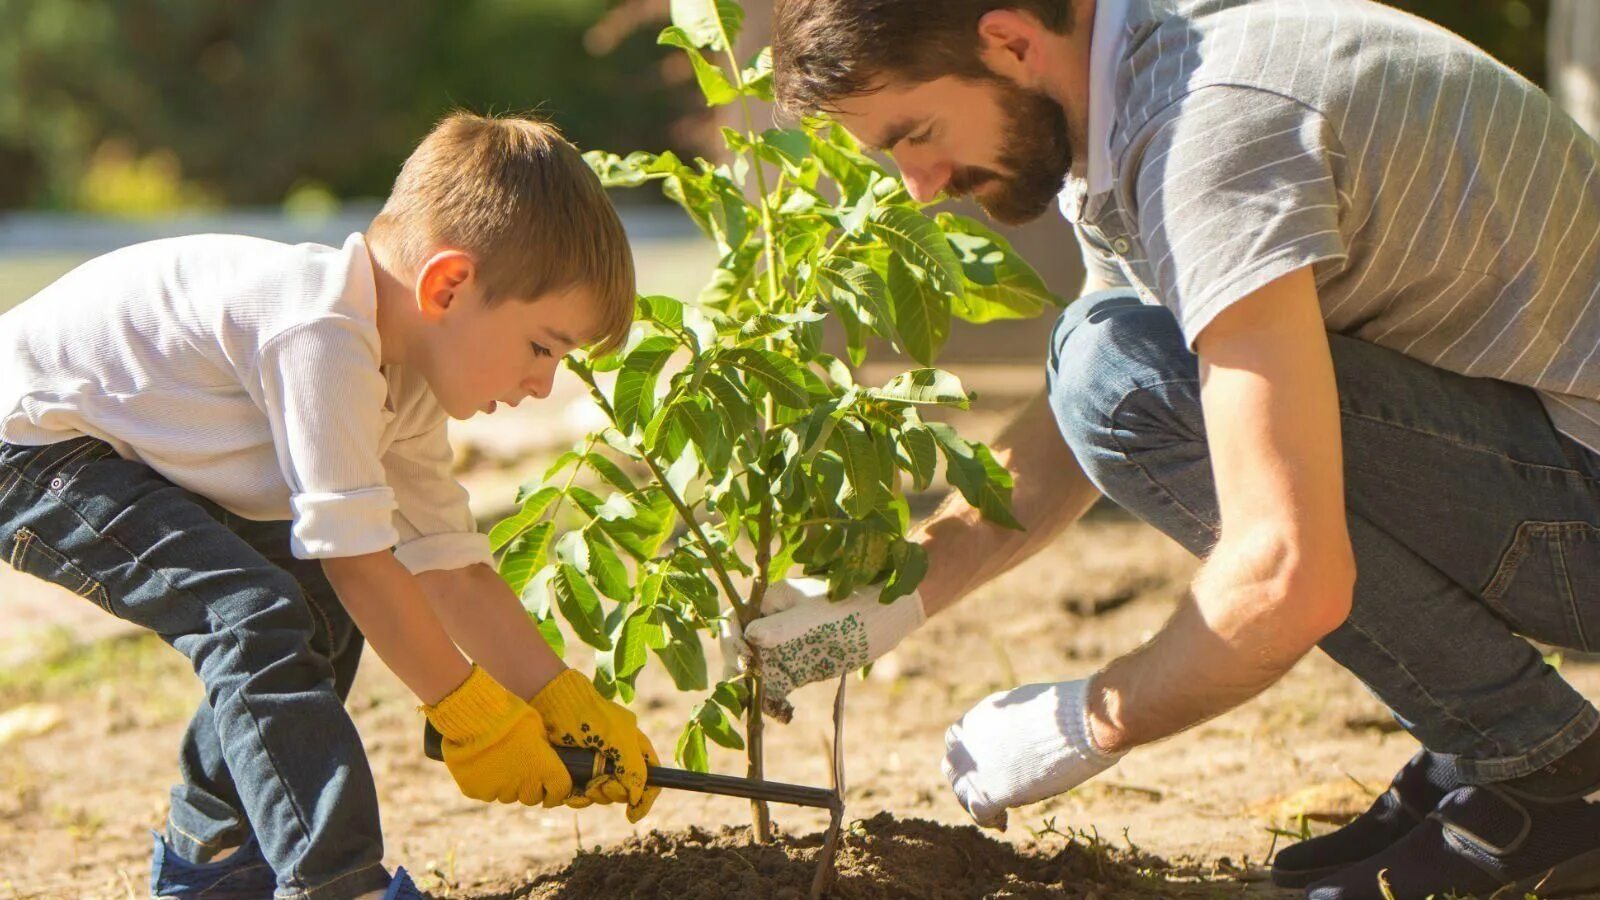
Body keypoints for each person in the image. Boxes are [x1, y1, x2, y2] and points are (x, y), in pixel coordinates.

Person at [735, 0, 1600, 896]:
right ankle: (1496, 748)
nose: (918, 183)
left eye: (916, 132)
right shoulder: (1141, 71)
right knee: (1107, 354)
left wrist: (1091, 718)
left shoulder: (1206, 133)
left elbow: (1283, 567)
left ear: (1010, 41)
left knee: (1113, 365)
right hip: (1563, 461)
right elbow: (1104, 414)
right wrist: (892, 596)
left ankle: (1536, 769)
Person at [0, 112, 659, 900]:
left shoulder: (405, 374)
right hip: (33, 446)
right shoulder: (319, 331)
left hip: (119, 451)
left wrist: (557, 697)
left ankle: (214, 859)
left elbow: (449, 569)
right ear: (448, 285)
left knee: (307, 605)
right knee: (252, 614)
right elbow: (358, 562)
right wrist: (471, 714)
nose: (542, 384)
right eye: (542, 347)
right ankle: (337, 884)